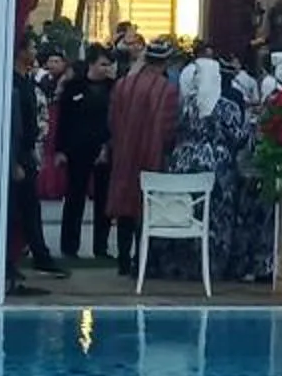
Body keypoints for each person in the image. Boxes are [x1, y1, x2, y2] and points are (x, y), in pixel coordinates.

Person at [171, 56, 267, 283]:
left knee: (189, 214)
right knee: (218, 217)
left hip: (183, 164)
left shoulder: (186, 105)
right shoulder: (226, 107)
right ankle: (214, 265)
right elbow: (239, 137)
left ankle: (186, 265)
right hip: (216, 167)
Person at [105, 38, 181, 276]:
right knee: (145, 208)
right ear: (165, 62)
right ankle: (141, 260)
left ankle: (123, 261)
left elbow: (112, 120)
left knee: (124, 208)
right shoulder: (167, 90)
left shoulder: (122, 85)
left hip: (124, 154)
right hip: (151, 155)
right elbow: (169, 129)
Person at [6, 46, 63, 288]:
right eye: (29, 48)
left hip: (27, 153)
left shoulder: (27, 81)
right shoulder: (14, 83)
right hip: (18, 155)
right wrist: (14, 160)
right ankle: (12, 262)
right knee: (16, 212)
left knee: (30, 209)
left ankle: (39, 254)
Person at [55, 49, 115, 260]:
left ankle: (101, 247)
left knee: (103, 200)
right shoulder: (74, 88)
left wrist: (108, 146)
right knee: (75, 198)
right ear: (91, 64)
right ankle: (69, 247)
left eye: (109, 65)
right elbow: (64, 121)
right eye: (102, 64)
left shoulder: (113, 89)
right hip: (77, 150)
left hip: (104, 151)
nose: (106, 69)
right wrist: (60, 150)